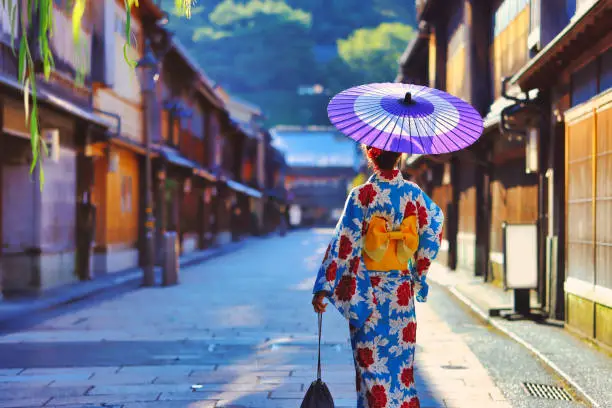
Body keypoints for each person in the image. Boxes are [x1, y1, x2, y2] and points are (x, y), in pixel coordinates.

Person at [311, 145, 444, 408]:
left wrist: (324, 287)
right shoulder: (414, 194)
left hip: (367, 294)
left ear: (370, 156)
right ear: (400, 156)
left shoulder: (361, 195)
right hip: (401, 297)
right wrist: (418, 272)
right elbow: (434, 227)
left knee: (370, 371)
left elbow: (344, 242)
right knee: (401, 375)